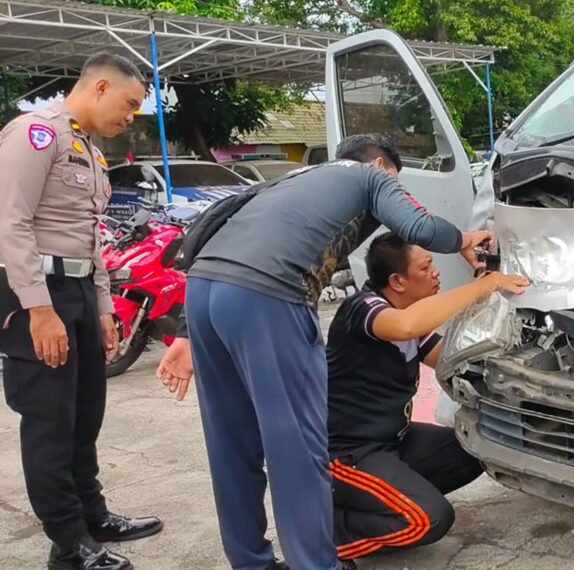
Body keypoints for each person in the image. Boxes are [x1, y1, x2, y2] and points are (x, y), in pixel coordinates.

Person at [154, 134, 492, 570]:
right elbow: (421, 228)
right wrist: (464, 239)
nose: (397, 191)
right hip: (269, 294)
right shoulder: (372, 178)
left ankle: (251, 562)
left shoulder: (293, 180)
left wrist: (187, 330)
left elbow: (208, 228)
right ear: (378, 164)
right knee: (296, 449)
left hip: (204, 291)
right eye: (397, 179)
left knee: (231, 444)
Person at [0, 53, 163, 570]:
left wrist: (101, 309)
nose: (132, 115)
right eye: (130, 103)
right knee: (49, 421)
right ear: (98, 87)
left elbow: (90, 241)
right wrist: (38, 311)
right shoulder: (36, 134)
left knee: (84, 415)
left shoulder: (89, 153)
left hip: (74, 295)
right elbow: (11, 225)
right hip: (34, 294)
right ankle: (69, 544)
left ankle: (92, 516)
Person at [326, 233, 527, 561]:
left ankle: (386, 505)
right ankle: (324, 538)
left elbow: (451, 359)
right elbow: (405, 326)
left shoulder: (407, 319)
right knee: (429, 520)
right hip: (345, 454)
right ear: (398, 281)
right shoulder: (363, 310)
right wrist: (483, 286)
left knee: (475, 446)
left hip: (391, 442)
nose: (435, 272)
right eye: (425, 267)